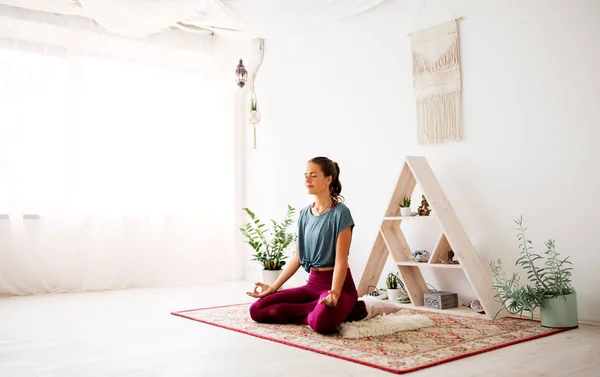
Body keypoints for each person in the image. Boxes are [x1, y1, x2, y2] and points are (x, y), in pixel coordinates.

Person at [246, 156, 368, 334]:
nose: (307, 180)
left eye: (313, 175)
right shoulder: (304, 214)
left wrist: (334, 292)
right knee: (257, 310)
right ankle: (316, 310)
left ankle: (335, 308)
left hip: (338, 287)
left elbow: (341, 260)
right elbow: (297, 258)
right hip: (312, 285)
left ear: (328, 179)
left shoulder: (341, 213)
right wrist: (272, 288)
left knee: (322, 325)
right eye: (305, 175)